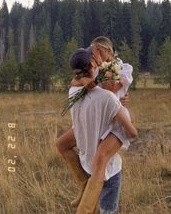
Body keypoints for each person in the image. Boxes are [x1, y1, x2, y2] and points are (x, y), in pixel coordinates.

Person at [56, 38, 134, 213]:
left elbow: (111, 89)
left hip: (111, 116)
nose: (93, 56)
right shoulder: (93, 66)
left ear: (105, 50)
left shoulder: (120, 66)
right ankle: (84, 184)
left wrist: (99, 72)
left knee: (99, 161)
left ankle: (86, 206)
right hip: (94, 114)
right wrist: (84, 81)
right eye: (91, 53)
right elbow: (76, 81)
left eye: (95, 52)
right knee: (62, 144)